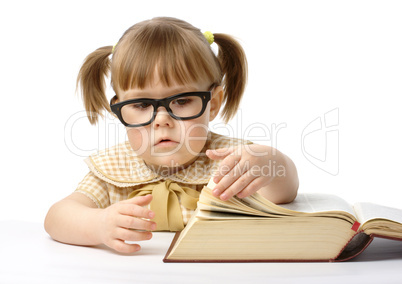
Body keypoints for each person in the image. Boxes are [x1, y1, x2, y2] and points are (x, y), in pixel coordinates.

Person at [44, 17, 299, 254]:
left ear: (212, 102)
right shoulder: (114, 169)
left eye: (182, 100)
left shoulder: (230, 162)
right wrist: (98, 224)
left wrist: (271, 162)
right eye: (142, 105)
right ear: (119, 108)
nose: (162, 120)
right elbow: (57, 217)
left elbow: (284, 191)